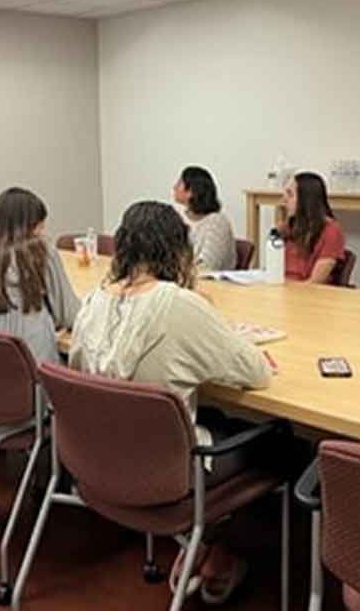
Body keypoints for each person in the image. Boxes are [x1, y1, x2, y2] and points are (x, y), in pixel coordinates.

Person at [70, 201, 271, 605]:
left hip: (95, 461)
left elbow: (77, 372)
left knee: (211, 416)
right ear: (176, 249)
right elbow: (256, 373)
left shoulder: (92, 303)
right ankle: (221, 552)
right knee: (278, 442)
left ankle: (200, 547)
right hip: (166, 472)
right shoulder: (179, 305)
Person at [0, 187, 80, 443]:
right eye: (40, 228)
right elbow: (70, 316)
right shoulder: (39, 253)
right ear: (30, 227)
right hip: (32, 394)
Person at [279, 172, 345, 283]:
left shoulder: (331, 231)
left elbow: (314, 283)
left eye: (290, 194)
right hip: (281, 291)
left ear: (306, 199)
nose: (284, 200)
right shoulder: (287, 227)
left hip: (308, 295)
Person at [173, 166, 237, 271]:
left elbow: (208, 266)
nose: (174, 187)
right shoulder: (178, 217)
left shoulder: (217, 223)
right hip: (184, 280)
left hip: (211, 284)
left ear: (191, 191)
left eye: (179, 183)